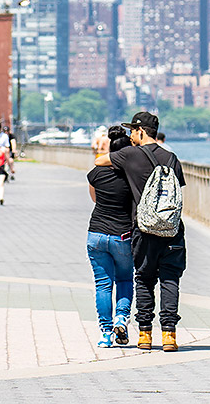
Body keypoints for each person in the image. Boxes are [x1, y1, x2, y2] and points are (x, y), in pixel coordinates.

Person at [95, 111, 186, 353]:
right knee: (170, 279)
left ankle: (145, 335)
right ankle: (169, 335)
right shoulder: (171, 158)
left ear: (141, 131)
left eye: (132, 131)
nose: (130, 135)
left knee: (144, 279)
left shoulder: (129, 155)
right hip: (172, 229)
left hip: (144, 230)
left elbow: (99, 161)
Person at [87, 125, 134, 348]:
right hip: (122, 235)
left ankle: (105, 334)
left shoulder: (95, 173)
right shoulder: (131, 176)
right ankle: (121, 318)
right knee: (124, 279)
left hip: (96, 233)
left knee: (103, 285)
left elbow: (95, 199)